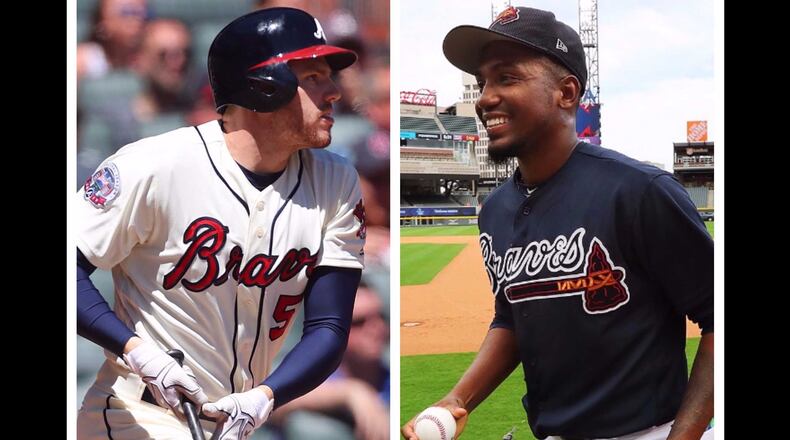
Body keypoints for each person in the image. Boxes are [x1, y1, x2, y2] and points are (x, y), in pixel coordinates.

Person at [402, 6, 713, 440]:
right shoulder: (495, 211)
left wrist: (685, 435)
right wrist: (458, 398)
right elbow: (511, 316)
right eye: (482, 82)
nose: (486, 97)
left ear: (566, 93)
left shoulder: (639, 191)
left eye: (507, 78)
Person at [77, 7, 367, 440]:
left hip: (233, 422)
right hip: (135, 414)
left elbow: (328, 326)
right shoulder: (155, 165)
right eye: (313, 77)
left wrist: (266, 396)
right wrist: (136, 352)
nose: (334, 93)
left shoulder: (336, 180)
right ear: (264, 86)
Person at [270, 282, 390, 440]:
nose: (376, 328)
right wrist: (351, 392)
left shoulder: (391, 372)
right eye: (359, 322)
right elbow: (270, 405)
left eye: (380, 316)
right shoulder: (312, 373)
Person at [77, 0, 148, 81]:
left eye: (143, 13)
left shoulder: (148, 60)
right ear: (102, 23)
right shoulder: (85, 60)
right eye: (127, 12)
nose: (137, 21)